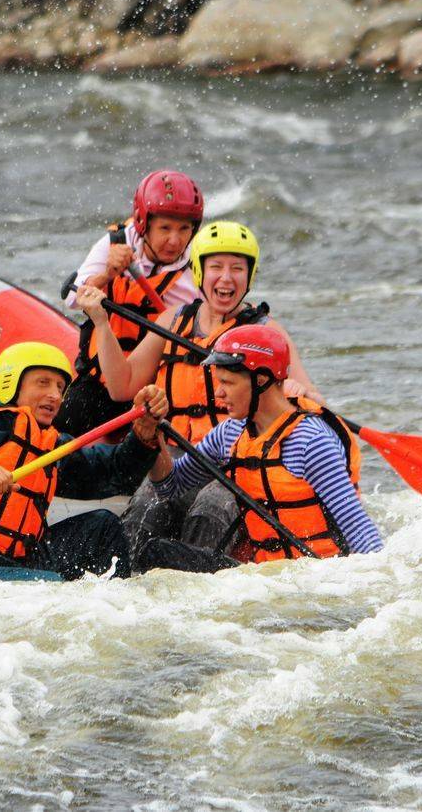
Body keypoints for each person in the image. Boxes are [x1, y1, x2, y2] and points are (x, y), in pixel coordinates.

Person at [0, 342, 171, 581]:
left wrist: (142, 434)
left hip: (14, 559)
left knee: (101, 528)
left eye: (61, 387)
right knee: (50, 588)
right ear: (11, 382)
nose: (55, 395)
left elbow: (113, 474)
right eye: (43, 383)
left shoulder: (48, 443)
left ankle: (115, 611)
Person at [136, 325, 384, 574]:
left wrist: (377, 581)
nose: (219, 393)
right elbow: (170, 486)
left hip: (318, 578)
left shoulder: (311, 441)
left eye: (227, 383)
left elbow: (358, 528)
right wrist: (152, 435)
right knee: (157, 551)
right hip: (264, 577)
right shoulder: (230, 433)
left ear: (261, 380)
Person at [74, 220, 320, 446]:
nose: (226, 278)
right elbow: (122, 387)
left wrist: (298, 392)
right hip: (172, 461)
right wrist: (102, 323)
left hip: (230, 461)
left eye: (237, 268)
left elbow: (314, 401)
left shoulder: (266, 332)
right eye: (216, 267)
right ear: (200, 272)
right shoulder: (173, 320)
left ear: (249, 275)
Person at [54, 170, 204, 435]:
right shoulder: (115, 242)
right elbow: (72, 299)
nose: (175, 240)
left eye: (184, 229)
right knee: (63, 428)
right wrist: (108, 275)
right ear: (144, 223)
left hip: (153, 389)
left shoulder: (198, 268)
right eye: (165, 228)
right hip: (98, 380)